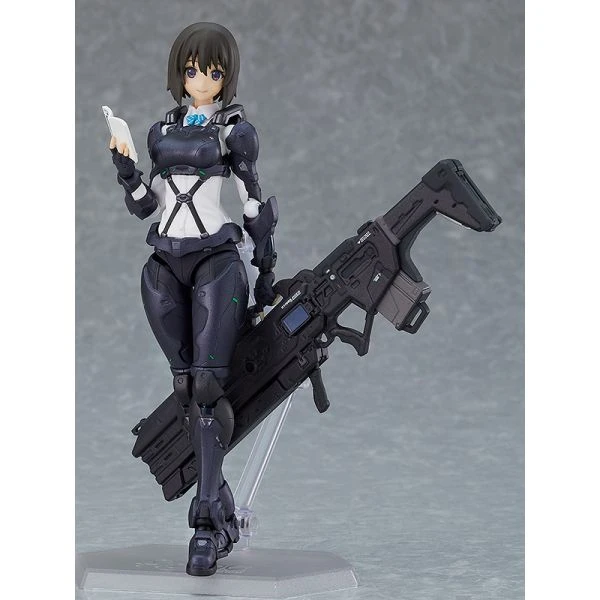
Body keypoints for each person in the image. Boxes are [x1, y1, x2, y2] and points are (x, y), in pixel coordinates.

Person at [108, 22, 278, 576]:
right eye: (192, 70)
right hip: (164, 263)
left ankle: (204, 521)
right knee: (185, 388)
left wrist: (266, 270)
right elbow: (146, 204)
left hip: (215, 261)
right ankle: (220, 506)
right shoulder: (161, 131)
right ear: (179, 73)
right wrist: (127, 168)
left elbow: (253, 205)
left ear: (226, 77)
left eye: (213, 71)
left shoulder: (234, 134)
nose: (201, 80)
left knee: (207, 386)